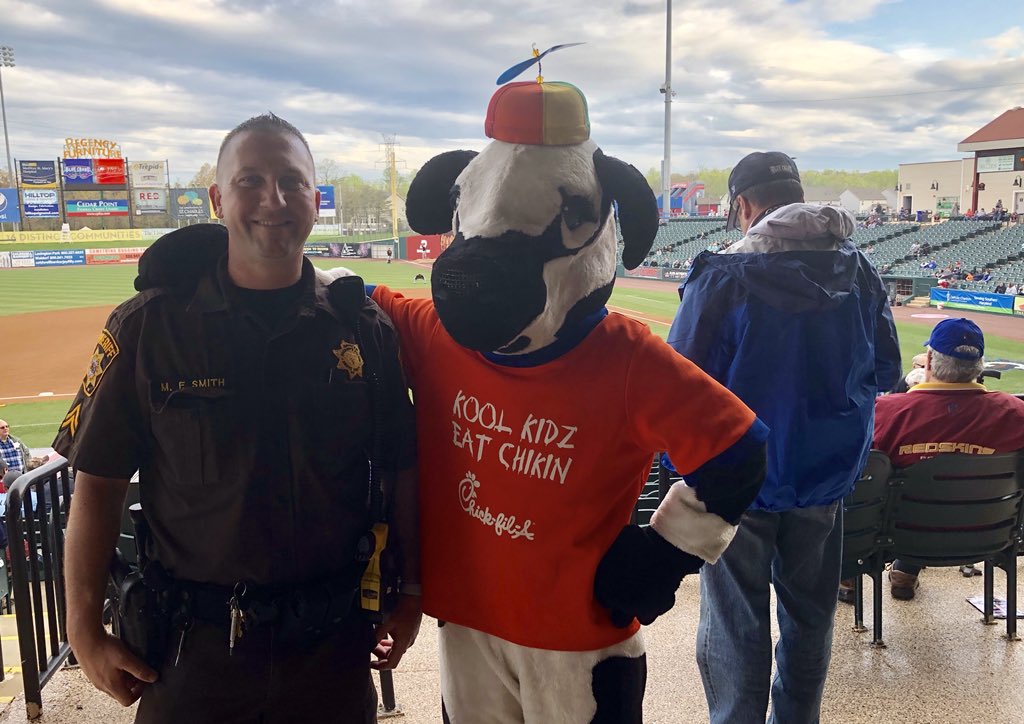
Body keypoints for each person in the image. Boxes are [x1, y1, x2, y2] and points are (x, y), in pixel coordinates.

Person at [55, 113, 420, 723]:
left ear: (315, 199)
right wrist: (84, 628)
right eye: (250, 180)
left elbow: (403, 469)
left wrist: (411, 593)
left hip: (331, 654)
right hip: (190, 658)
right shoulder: (148, 329)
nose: (273, 199)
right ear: (218, 199)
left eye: (292, 181)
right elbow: (96, 483)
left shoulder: (364, 330)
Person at [667, 151, 901, 724]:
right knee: (810, 617)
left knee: (734, 623)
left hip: (737, 482)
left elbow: (678, 386)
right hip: (825, 478)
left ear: (743, 206)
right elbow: (889, 372)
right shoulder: (861, 271)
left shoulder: (722, 275)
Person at [873, 318, 1024, 599]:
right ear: (980, 367)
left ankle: (852, 578)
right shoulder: (1015, 413)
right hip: (990, 534)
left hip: (898, 538)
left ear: (928, 362)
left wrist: (902, 386)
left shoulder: (886, 411)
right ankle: (905, 571)